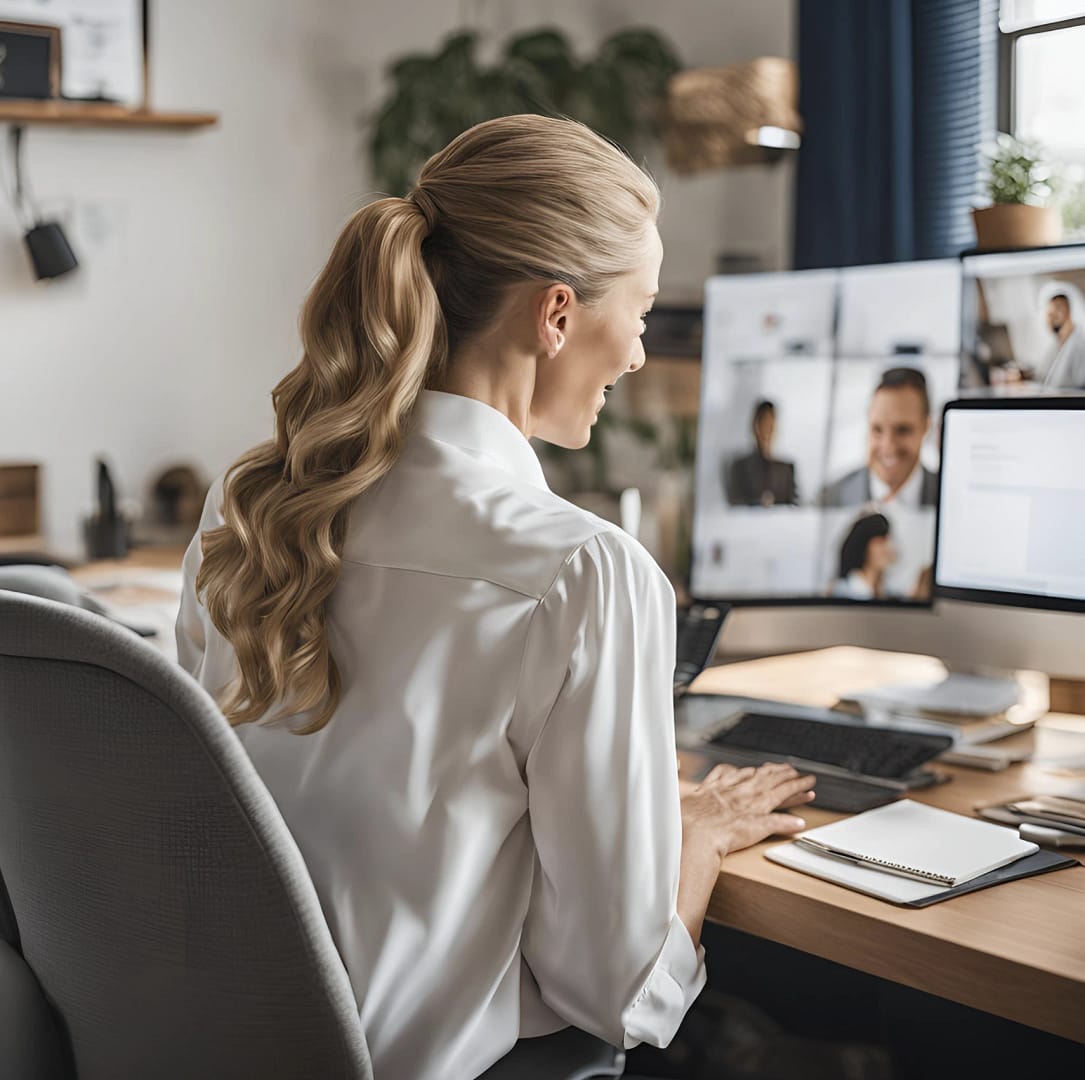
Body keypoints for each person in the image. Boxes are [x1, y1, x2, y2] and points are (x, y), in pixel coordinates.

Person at [175, 115, 815, 1080]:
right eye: (638, 312)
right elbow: (611, 989)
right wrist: (694, 840)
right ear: (557, 314)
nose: (639, 355)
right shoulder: (587, 570)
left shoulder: (250, 506)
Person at [818, 367, 938, 508]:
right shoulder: (829, 499)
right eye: (877, 430)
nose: (888, 446)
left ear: (926, 426)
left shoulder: (948, 494)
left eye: (903, 430)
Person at [724, 399, 798, 506]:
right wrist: (759, 503)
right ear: (755, 426)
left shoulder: (786, 470)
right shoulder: (740, 467)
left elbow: (794, 506)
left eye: (770, 425)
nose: (767, 430)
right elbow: (734, 503)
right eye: (763, 423)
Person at [830, 512, 896, 600]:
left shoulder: (884, 592)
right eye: (880, 543)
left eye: (887, 542)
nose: (887, 548)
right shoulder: (844, 592)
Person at [1042, 291, 1085, 390]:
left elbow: (1079, 385)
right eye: (1050, 313)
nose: (1052, 316)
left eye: (1058, 309)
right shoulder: (1056, 345)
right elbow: (1043, 376)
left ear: (1070, 313)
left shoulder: (1080, 345)